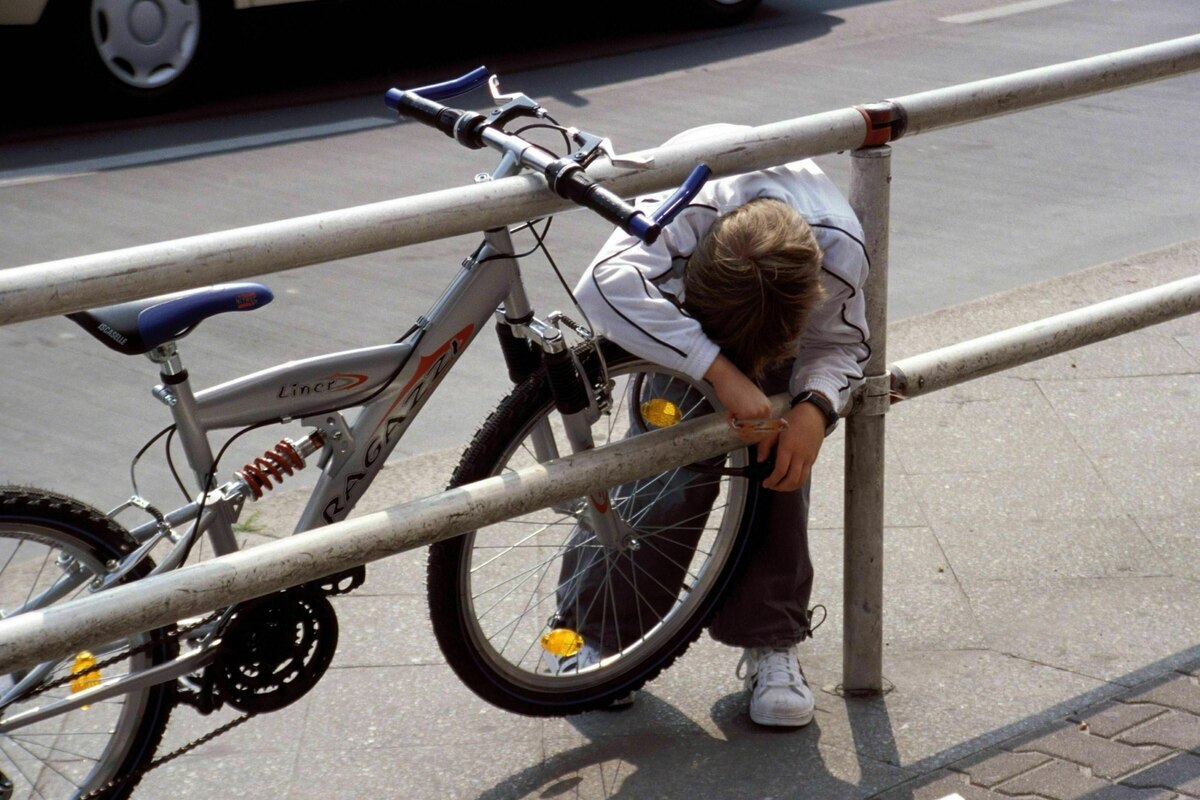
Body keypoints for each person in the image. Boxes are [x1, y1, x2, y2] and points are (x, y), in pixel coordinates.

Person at [566, 125, 870, 727]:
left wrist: (812, 408)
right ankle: (598, 632)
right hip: (691, 325)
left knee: (780, 468)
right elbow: (600, 285)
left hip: (775, 319)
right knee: (664, 471)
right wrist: (716, 368)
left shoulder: (837, 252)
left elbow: (842, 342)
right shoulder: (684, 212)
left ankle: (771, 638)